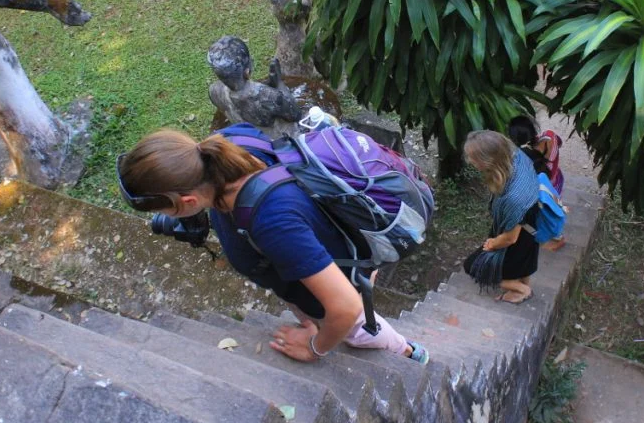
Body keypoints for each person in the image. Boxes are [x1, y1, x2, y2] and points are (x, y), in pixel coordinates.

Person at [117, 127, 429, 364]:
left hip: (339, 283)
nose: (165, 217)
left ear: (188, 201)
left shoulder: (272, 222)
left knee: (360, 329)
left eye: (165, 211)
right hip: (310, 259)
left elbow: (345, 308)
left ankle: (407, 351)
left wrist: (314, 347)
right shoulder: (226, 142)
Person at [462, 130, 543, 304]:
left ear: (488, 161)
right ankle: (520, 282)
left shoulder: (513, 198)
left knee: (473, 267)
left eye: (473, 159)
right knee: (522, 262)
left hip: (518, 231)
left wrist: (492, 244)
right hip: (531, 222)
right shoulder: (517, 155)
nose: (470, 162)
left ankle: (523, 290)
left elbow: (510, 238)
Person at [507, 115, 564, 196]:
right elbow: (560, 143)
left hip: (539, 193)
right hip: (556, 183)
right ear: (532, 130)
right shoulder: (550, 136)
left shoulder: (519, 159)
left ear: (514, 140)